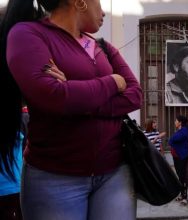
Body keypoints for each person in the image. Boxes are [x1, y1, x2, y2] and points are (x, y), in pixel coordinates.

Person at [1, 0, 142, 219]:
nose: (103, 11)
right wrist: (113, 82)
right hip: (54, 178)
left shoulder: (102, 46)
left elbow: (135, 95)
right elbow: (55, 98)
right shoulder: (28, 34)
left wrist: (76, 96)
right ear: (80, 2)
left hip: (114, 173)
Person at [168, 115, 188, 206]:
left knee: (182, 176)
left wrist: (171, 139)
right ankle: (182, 195)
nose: (174, 122)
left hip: (181, 156)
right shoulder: (181, 131)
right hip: (177, 156)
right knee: (180, 176)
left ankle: (185, 198)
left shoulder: (184, 131)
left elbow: (172, 140)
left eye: (176, 121)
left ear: (180, 122)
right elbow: (171, 140)